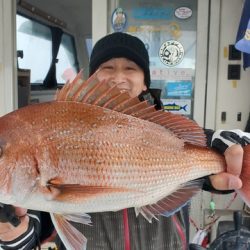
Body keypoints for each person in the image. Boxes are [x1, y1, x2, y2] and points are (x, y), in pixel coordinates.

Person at [0, 32, 249, 250]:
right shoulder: (29, 177)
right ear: (93, 77)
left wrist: (229, 152)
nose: (119, 77)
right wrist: (13, 234)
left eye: (131, 68)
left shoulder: (170, 129)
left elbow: (212, 152)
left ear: (145, 81)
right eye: (107, 67)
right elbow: (32, 234)